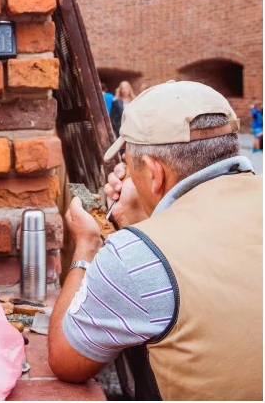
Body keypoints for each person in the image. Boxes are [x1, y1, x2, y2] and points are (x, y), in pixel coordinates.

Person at [47, 80, 262, 400]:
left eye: (130, 165)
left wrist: (86, 246)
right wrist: (143, 218)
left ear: (153, 173)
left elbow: (64, 359)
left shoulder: (135, 255)